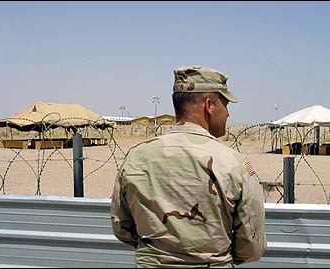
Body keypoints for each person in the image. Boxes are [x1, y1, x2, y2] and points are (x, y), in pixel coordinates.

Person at [111, 65, 267, 268]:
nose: (228, 113)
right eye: (226, 104)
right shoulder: (233, 163)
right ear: (209, 105)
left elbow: (122, 227)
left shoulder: (137, 157)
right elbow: (252, 246)